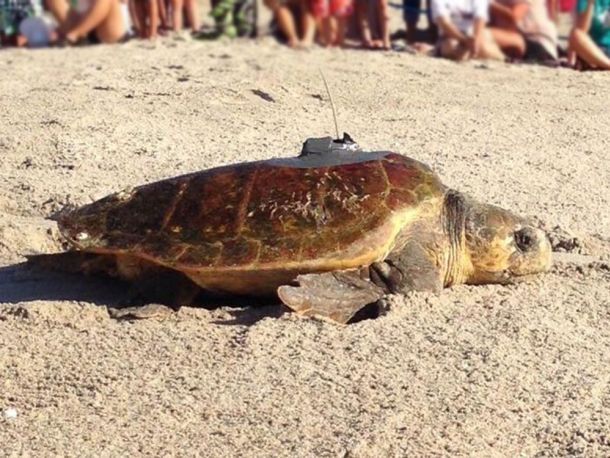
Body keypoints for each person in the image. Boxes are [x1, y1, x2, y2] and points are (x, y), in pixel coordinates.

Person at [431, 0, 525, 60]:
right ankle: (501, 58)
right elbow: (443, 22)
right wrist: (463, 39)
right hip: (452, 35)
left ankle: (502, 58)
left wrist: (475, 39)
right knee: (451, 46)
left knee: (482, 42)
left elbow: (480, 19)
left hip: (473, 34)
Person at [490, 0, 559, 61]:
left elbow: (515, 16)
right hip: (517, 37)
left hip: (536, 40)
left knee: (487, 35)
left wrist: (488, 4)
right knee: (487, 35)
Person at [46, 0, 127, 43]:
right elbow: (74, 9)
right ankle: (73, 33)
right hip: (85, 22)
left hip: (110, 25)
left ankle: (75, 33)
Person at [568, 0, 610, 69]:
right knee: (576, 34)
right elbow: (582, 30)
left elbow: (606, 25)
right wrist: (590, 4)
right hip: (593, 50)